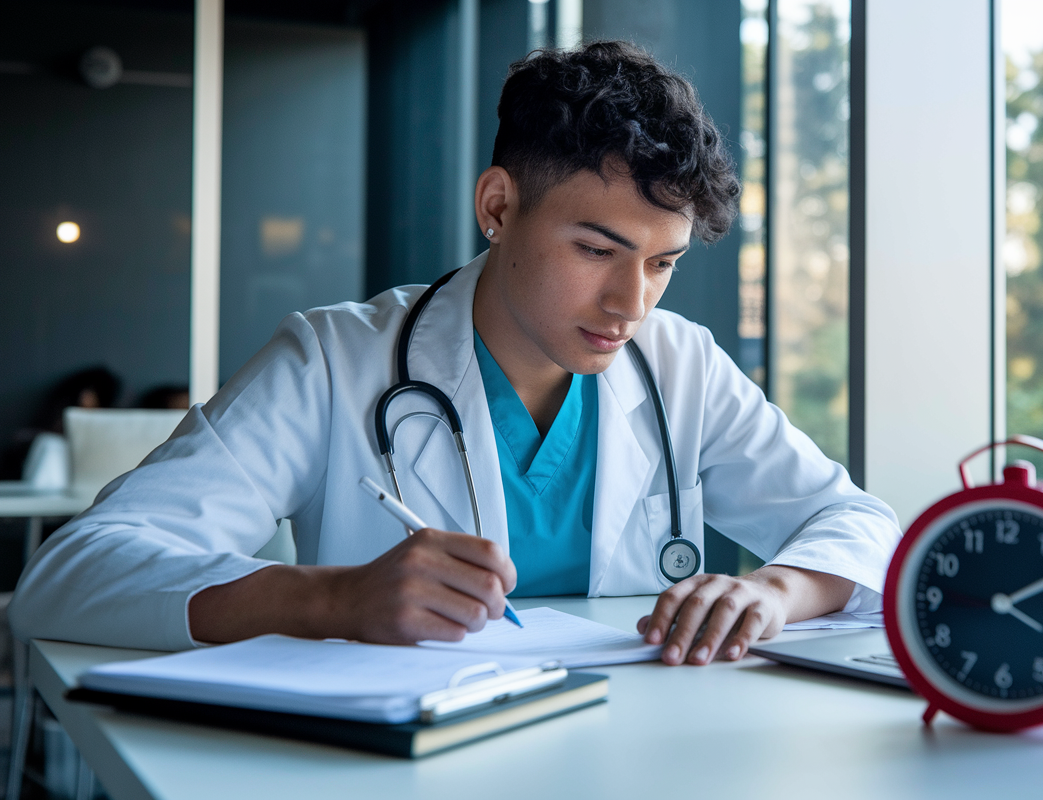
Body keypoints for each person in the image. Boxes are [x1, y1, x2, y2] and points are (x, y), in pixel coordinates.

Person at [10, 42, 900, 666]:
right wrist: (329, 600)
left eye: (661, 263)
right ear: (499, 206)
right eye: (596, 251)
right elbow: (76, 573)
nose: (633, 304)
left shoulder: (682, 365)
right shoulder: (333, 361)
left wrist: (776, 592)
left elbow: (861, 526)